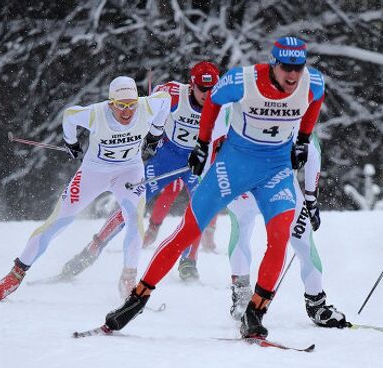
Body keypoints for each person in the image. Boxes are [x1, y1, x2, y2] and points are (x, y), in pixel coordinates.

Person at [101, 36, 325, 339]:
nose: (292, 75)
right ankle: (137, 299)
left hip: (275, 170)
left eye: (298, 68)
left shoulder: (313, 82)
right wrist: (203, 145)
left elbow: (314, 105)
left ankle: (255, 313)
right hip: (233, 167)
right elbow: (213, 104)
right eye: (286, 67)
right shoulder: (242, 80)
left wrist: (302, 139)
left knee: (280, 237)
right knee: (188, 232)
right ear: (274, 63)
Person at [0, 76, 171, 301]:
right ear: (111, 103)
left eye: (131, 105)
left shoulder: (146, 106)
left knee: (135, 219)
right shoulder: (96, 113)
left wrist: (156, 132)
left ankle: (128, 280)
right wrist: (70, 142)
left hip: (129, 171)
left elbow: (164, 98)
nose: (127, 111)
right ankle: (14, 277)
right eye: (121, 105)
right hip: (93, 173)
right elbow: (70, 115)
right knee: (58, 221)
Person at [54, 62, 220, 289]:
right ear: (192, 85)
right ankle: (93, 248)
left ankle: (189, 261)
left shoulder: (222, 102)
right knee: (131, 205)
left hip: (194, 162)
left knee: (200, 209)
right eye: (203, 88)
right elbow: (143, 109)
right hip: (165, 158)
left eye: (212, 89)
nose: (207, 95)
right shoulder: (173, 93)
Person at [226, 133, 347, 328]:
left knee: (303, 241)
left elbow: (313, 152)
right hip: (244, 182)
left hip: (281, 185)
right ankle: (241, 293)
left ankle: (316, 303)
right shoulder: (243, 105)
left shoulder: (297, 113)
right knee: (241, 230)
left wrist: (310, 199)